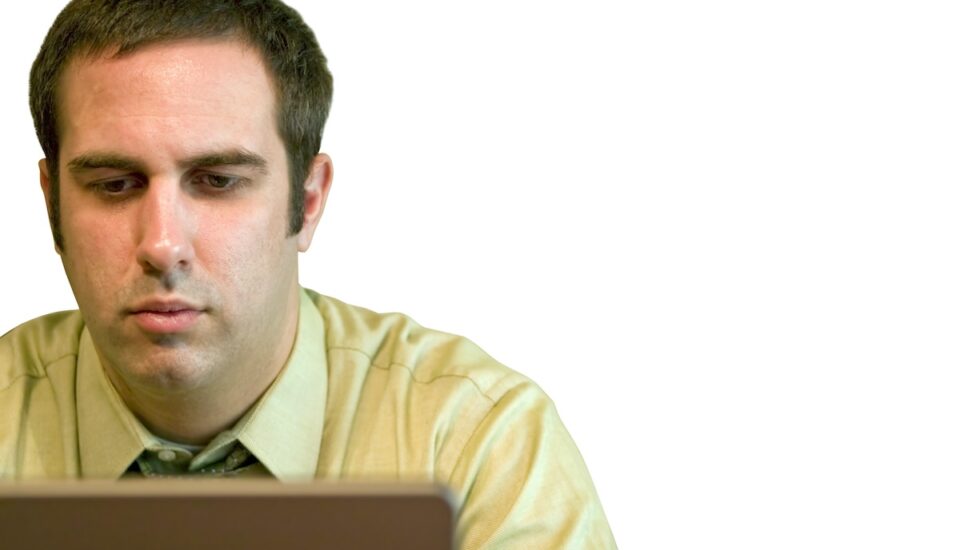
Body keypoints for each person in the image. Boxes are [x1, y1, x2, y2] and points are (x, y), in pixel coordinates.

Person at [0, 0, 616, 547]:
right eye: (114, 185)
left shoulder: (475, 442)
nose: (163, 244)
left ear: (309, 200)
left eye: (218, 182)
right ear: (52, 202)